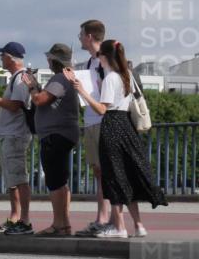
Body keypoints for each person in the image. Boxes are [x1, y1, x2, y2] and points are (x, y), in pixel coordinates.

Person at [66, 40, 168, 237]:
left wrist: (82, 91)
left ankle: (119, 227)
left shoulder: (111, 78)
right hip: (126, 126)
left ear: (104, 57)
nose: (98, 60)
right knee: (128, 174)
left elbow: (103, 109)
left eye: (99, 56)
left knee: (113, 176)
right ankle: (138, 225)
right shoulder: (126, 74)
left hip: (112, 126)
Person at [24, 43, 80, 236]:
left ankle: (59, 224)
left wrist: (31, 85)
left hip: (55, 135)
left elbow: (40, 100)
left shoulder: (59, 78)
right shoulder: (68, 77)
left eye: (49, 58)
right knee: (61, 180)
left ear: (53, 60)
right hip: (65, 133)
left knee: (55, 181)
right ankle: (64, 223)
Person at [0, 42, 34, 235]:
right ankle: (15, 217)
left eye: (2, 56)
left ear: (11, 58)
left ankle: (25, 220)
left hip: (16, 134)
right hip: (10, 134)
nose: (1, 59)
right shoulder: (16, 77)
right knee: (12, 179)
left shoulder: (21, 78)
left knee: (19, 178)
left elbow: (15, 105)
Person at [74, 20, 111, 236]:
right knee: (98, 171)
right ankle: (102, 217)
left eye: (81, 34)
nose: (79, 37)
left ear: (89, 36)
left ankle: (109, 219)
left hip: (103, 120)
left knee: (106, 171)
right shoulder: (90, 62)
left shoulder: (106, 59)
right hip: (90, 119)